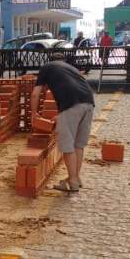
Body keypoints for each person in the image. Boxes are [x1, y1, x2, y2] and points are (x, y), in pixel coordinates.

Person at [30, 60, 95, 193]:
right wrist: (61, 116)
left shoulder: (46, 68)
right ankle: (76, 177)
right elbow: (73, 91)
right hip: (89, 103)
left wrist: (33, 114)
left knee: (67, 145)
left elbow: (36, 93)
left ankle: (72, 181)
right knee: (78, 144)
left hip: (72, 105)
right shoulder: (69, 68)